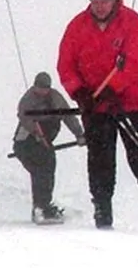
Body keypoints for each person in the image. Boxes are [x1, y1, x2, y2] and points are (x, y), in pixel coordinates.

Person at [57, 0, 138, 231]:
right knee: (100, 160)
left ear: (113, 0)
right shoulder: (76, 26)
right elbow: (66, 65)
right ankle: (102, 211)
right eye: (95, 0)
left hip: (134, 103)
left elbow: (134, 61)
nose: (100, 5)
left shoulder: (132, 22)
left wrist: (114, 88)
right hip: (95, 106)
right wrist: (79, 93)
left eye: (105, 0)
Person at [12, 71, 86, 224]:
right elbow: (26, 119)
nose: (42, 91)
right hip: (26, 143)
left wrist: (79, 134)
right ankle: (41, 206)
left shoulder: (55, 98)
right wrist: (38, 135)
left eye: (45, 88)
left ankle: (42, 206)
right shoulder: (27, 100)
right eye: (39, 88)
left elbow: (68, 116)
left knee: (46, 168)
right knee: (41, 169)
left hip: (45, 143)